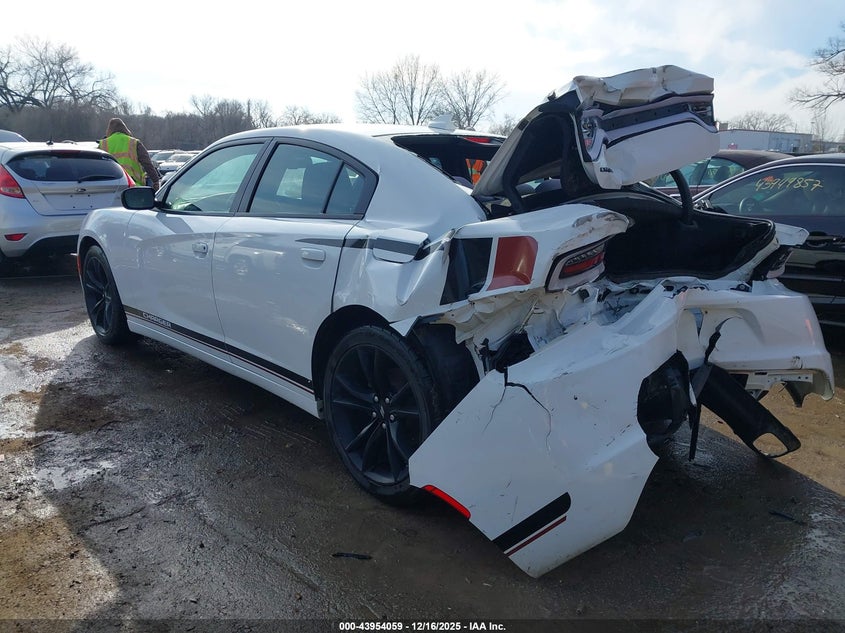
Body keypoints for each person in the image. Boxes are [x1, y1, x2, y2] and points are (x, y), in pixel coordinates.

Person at [97, 118, 161, 191]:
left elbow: (97, 167)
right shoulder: (134, 143)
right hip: (133, 186)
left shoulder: (103, 144)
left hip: (110, 187)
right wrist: (155, 181)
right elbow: (147, 164)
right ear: (125, 129)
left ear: (109, 130)